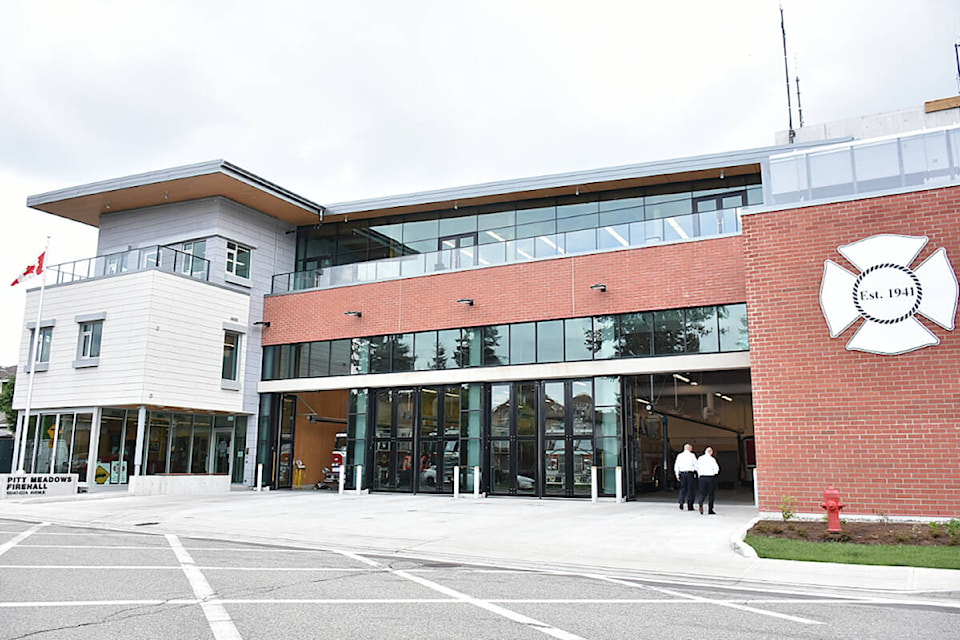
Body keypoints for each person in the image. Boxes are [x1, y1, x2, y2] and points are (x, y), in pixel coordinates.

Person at [673, 443, 697, 511]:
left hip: (682, 474)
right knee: (691, 490)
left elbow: (676, 466)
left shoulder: (679, 456)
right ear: (689, 448)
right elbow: (696, 464)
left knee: (683, 489)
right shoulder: (692, 455)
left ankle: (681, 501)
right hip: (690, 474)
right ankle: (690, 506)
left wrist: (677, 475)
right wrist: (698, 473)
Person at [696, 446, 720, 515]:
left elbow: (697, 467)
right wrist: (715, 473)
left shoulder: (700, 458)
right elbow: (716, 469)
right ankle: (710, 509)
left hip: (702, 477)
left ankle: (700, 503)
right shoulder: (712, 459)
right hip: (710, 477)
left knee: (702, 492)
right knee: (711, 494)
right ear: (711, 452)